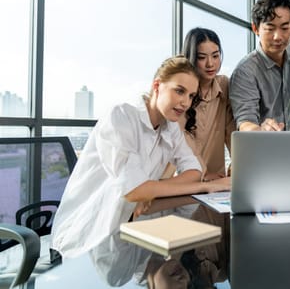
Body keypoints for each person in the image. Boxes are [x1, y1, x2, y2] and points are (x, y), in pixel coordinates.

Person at [51, 56, 231, 259]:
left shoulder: (171, 127)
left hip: (132, 227)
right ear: (157, 86)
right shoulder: (121, 116)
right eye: (179, 91)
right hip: (88, 237)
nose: (185, 102)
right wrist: (205, 187)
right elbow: (134, 190)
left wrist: (150, 190)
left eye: (191, 96)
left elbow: (194, 172)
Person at [163, 28, 235, 181]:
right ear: (192, 58)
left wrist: (238, 163)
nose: (210, 64)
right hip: (183, 180)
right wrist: (202, 175)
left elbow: (231, 130)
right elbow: (182, 140)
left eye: (215, 56)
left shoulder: (224, 85)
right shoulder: (182, 94)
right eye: (202, 57)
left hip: (218, 182)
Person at [229, 0, 290, 131]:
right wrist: (261, 130)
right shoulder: (245, 72)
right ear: (255, 28)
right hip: (260, 146)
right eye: (270, 28)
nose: (278, 36)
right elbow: (245, 122)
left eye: (285, 28)